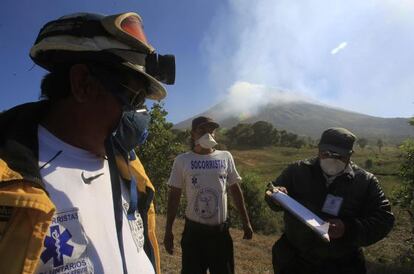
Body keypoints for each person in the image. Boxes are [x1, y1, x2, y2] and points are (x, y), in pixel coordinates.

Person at [0, 12, 175, 274]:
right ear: (83, 84)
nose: (140, 115)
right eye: (133, 98)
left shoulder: (128, 164)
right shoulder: (10, 181)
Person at [265, 127, 395, 274]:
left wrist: (348, 229)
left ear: (350, 155)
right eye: (326, 153)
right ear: (318, 150)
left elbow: (384, 219)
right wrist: (275, 196)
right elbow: (271, 191)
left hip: (341, 265)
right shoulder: (297, 171)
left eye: (339, 156)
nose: (332, 159)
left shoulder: (366, 182)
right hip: (294, 261)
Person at [164, 116, 253, 274]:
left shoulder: (225, 157)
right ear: (193, 134)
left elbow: (235, 189)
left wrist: (246, 221)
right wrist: (168, 230)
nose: (208, 134)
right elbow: (174, 196)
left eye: (211, 130)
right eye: (202, 130)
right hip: (194, 234)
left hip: (220, 234)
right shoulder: (182, 160)